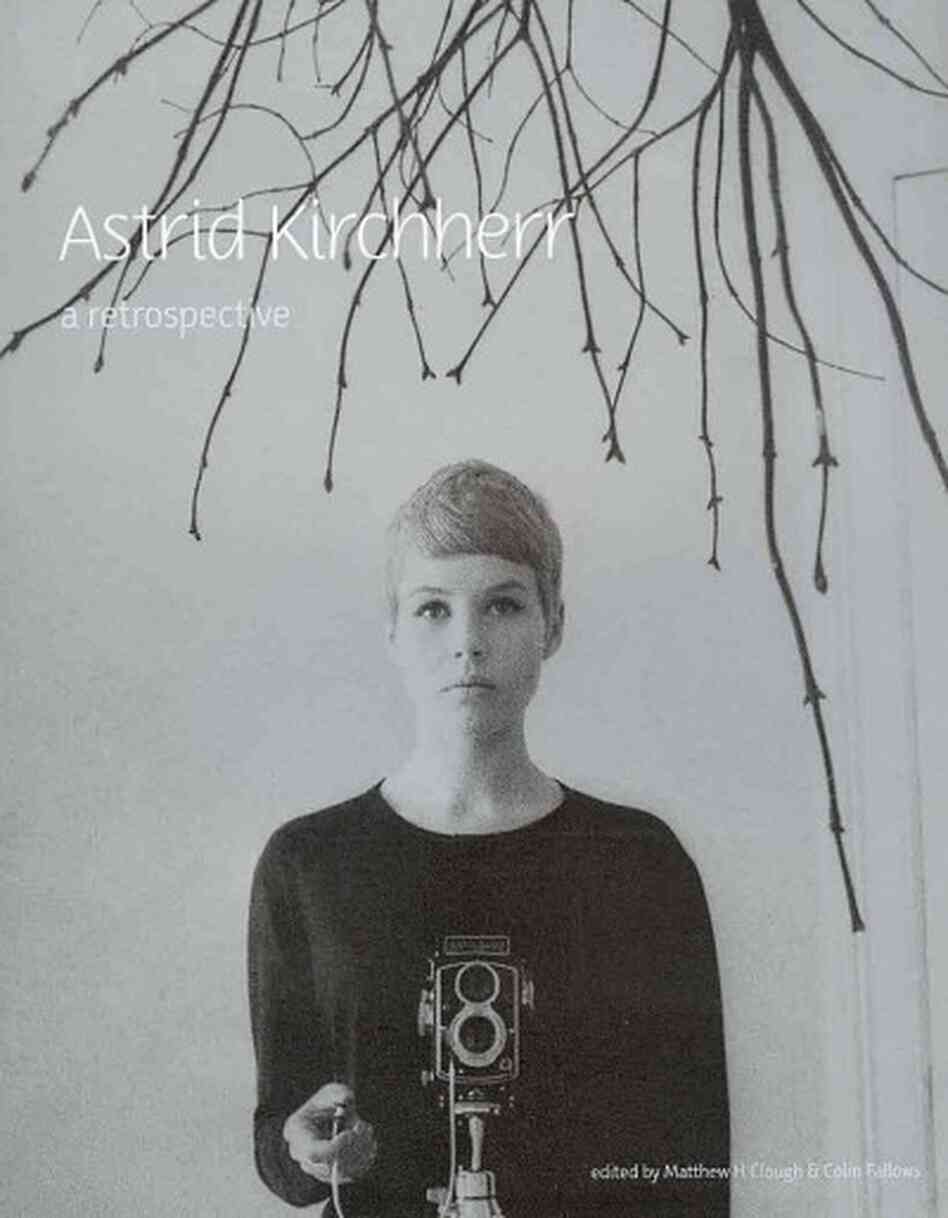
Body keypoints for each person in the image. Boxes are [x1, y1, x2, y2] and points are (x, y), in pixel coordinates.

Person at [248, 460, 730, 1217]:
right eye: (433, 609)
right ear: (392, 630)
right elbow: (281, 1144)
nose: (468, 642)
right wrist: (304, 1147)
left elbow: (693, 1164)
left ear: (553, 625)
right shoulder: (309, 864)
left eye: (503, 605)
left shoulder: (638, 865)